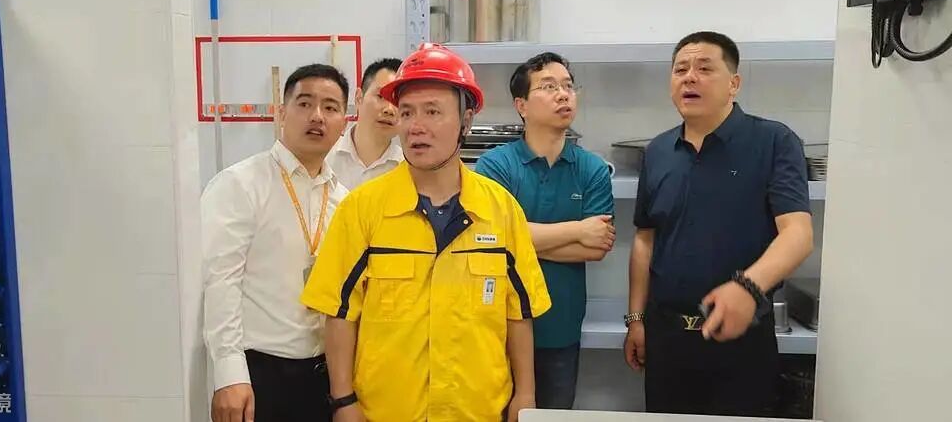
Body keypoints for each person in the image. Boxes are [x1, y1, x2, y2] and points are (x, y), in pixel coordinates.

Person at [300, 43, 552, 422]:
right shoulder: (362, 209)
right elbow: (339, 313)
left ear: (466, 120)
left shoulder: (500, 210)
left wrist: (526, 393)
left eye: (432, 111)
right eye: (407, 112)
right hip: (387, 413)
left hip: (477, 412)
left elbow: (519, 313)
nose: (416, 126)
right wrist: (343, 400)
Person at [623, 31, 814, 416]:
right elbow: (645, 239)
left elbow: (798, 233)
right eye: (680, 69)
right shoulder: (658, 151)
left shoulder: (774, 141)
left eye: (704, 68)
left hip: (742, 339)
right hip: (667, 339)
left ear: (734, 83)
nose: (689, 77)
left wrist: (747, 286)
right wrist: (636, 319)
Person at [202, 64, 351, 422]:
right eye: (305, 103)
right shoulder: (239, 184)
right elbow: (219, 281)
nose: (317, 116)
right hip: (258, 375)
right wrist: (229, 373)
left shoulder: (344, 201)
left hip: (325, 377)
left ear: (344, 123)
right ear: (282, 112)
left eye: (330, 107)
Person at [475, 52, 616, 410]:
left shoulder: (592, 169)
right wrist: (577, 230)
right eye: (549, 87)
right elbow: (490, 242)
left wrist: (518, 238)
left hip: (560, 329)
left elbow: (596, 246)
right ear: (521, 105)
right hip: (497, 329)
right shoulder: (495, 165)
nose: (563, 94)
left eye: (568, 86)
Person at [326, 57, 404, 190]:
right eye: (381, 96)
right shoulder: (324, 157)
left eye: (397, 100)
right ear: (358, 98)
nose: (389, 109)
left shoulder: (408, 169)